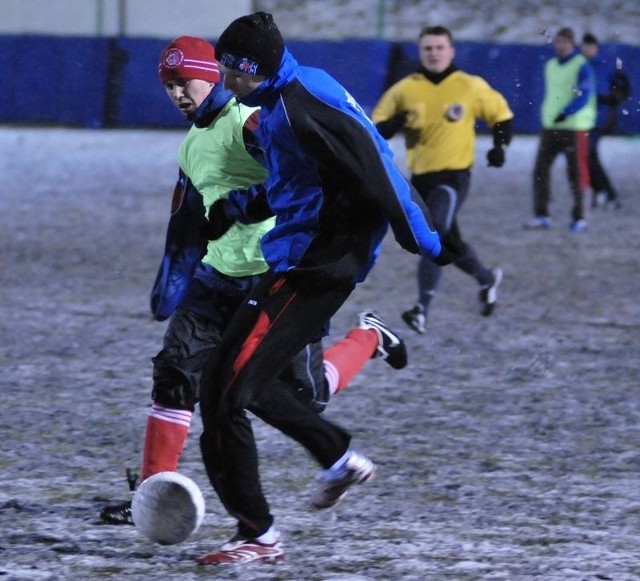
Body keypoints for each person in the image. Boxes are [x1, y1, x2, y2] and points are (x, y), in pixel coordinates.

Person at [99, 36, 409, 526]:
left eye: (187, 81)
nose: (179, 93)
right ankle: (153, 492)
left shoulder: (249, 119)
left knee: (304, 398)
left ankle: (369, 336)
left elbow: (301, 168)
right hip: (216, 281)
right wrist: (173, 274)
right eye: (170, 85)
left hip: (273, 281)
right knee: (176, 373)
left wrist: (253, 205)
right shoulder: (191, 143)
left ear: (214, 76)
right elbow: (190, 216)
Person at [193, 11, 456, 567]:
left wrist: (428, 240)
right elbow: (295, 181)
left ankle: (257, 536)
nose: (222, 78)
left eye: (228, 69)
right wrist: (239, 209)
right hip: (301, 260)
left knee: (225, 394)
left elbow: (378, 168)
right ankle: (335, 458)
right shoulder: (285, 97)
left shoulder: (303, 105)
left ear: (252, 69)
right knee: (243, 385)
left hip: (314, 269)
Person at [372, 25, 512, 335]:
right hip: (420, 179)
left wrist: (499, 147)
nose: (434, 53)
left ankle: (421, 308)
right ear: (420, 52)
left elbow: (501, 115)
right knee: (450, 243)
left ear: (451, 51)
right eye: (428, 48)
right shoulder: (405, 89)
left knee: (433, 232)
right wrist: (396, 122)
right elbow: (375, 129)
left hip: (454, 177)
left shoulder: (469, 86)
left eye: (439, 47)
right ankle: (487, 278)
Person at [525, 27, 597, 233]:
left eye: (565, 42)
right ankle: (541, 215)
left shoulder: (581, 65)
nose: (561, 46)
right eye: (558, 42)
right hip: (551, 127)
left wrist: (567, 112)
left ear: (572, 44)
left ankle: (580, 216)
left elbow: (584, 94)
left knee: (576, 172)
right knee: (540, 171)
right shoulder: (550, 65)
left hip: (574, 127)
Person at [580, 32, 631, 209]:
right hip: (583, 118)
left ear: (595, 47)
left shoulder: (606, 66)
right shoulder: (580, 65)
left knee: (588, 152)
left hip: (601, 117)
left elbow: (624, 87)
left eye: (589, 47)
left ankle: (605, 192)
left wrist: (612, 98)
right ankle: (604, 192)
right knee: (585, 155)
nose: (587, 50)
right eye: (584, 47)